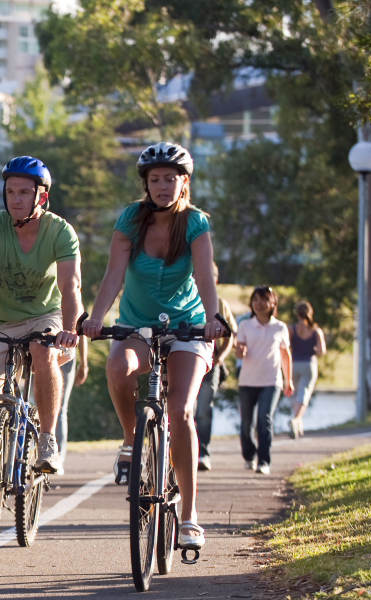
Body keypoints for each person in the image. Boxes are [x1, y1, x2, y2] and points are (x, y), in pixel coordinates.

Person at [80, 142, 227, 552]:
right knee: (117, 368)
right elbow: (113, 274)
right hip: (136, 323)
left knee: (181, 411)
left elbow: (204, 276)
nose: (163, 186)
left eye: (171, 179)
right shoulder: (131, 219)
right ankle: (132, 439)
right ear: (146, 184)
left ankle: (190, 517)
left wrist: (213, 320)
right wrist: (96, 316)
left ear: (185, 182)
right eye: (155, 179)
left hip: (188, 328)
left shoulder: (195, 223)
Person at [0, 155, 83, 514]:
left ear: (42, 196)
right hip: (3, 322)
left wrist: (70, 330)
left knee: (43, 352)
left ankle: (48, 441)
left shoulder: (60, 231)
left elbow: (71, 287)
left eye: (25, 192)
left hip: (47, 315)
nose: (16, 199)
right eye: (10, 192)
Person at [234, 285, 294, 476]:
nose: (259, 304)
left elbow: (286, 356)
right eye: (255, 300)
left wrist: (288, 380)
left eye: (263, 300)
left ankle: (264, 461)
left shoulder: (280, 327)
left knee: (264, 420)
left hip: (271, 381)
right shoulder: (245, 326)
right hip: (247, 381)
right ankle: (249, 455)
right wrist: (240, 351)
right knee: (246, 424)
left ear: (272, 303)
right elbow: (239, 351)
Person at [193, 263, 237, 471]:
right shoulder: (185, 299)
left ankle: (203, 453)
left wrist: (220, 358)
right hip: (187, 360)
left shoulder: (220, 303)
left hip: (211, 365)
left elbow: (230, 335)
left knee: (203, 409)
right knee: (184, 409)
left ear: (215, 280)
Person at [287, 300, 326, 439]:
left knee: (294, 393)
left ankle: (297, 422)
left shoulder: (292, 329)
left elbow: (286, 347)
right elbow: (321, 351)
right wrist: (313, 349)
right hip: (309, 364)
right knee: (304, 393)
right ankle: (296, 420)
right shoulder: (316, 331)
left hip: (293, 364)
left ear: (297, 314)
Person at [54, 338, 88, 475]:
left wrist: (84, 363)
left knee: (60, 408)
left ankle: (58, 458)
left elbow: (82, 332)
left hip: (65, 352)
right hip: (42, 347)